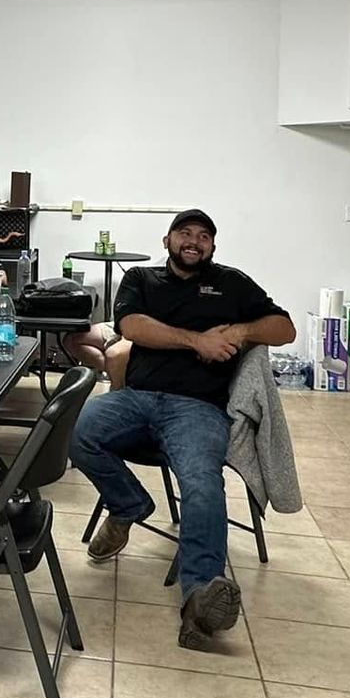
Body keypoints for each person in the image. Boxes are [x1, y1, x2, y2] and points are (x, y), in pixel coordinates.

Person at [70, 209, 295, 651]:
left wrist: (239, 329)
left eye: (204, 236)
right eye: (185, 233)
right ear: (167, 239)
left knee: (201, 485)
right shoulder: (141, 279)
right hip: (137, 398)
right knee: (78, 431)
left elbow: (284, 328)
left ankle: (200, 592)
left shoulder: (232, 284)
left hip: (198, 409)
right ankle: (130, 505)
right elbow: (130, 326)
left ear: (213, 246)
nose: (193, 241)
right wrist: (199, 341)